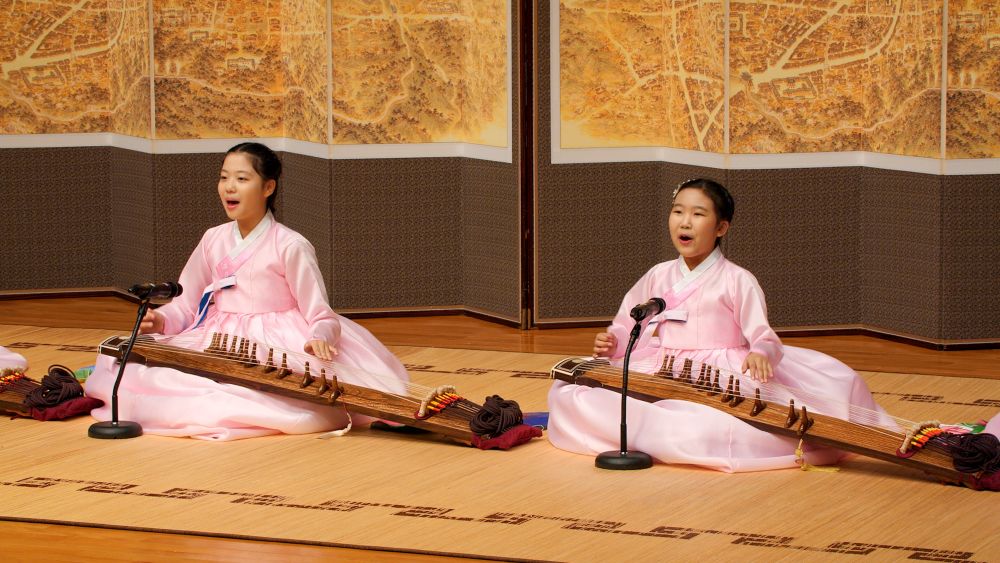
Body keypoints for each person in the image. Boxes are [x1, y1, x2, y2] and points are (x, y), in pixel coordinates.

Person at [547, 178, 898, 472]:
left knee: (710, 427)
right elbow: (629, 323)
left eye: (698, 214)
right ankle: (647, 435)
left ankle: (667, 437)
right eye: (678, 212)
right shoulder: (658, 274)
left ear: (721, 228)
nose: (684, 223)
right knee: (571, 395)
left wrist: (761, 353)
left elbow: (763, 334)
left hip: (722, 368)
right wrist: (614, 342)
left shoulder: (736, 279)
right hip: (660, 363)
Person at [86, 142, 410, 440]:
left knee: (274, 396)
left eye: (242, 179)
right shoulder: (213, 238)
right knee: (126, 370)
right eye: (224, 177)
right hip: (218, 336)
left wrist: (320, 337)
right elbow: (186, 303)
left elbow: (320, 314)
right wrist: (161, 320)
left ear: (268, 187)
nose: (229, 187)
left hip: (277, 339)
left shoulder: (290, 244)